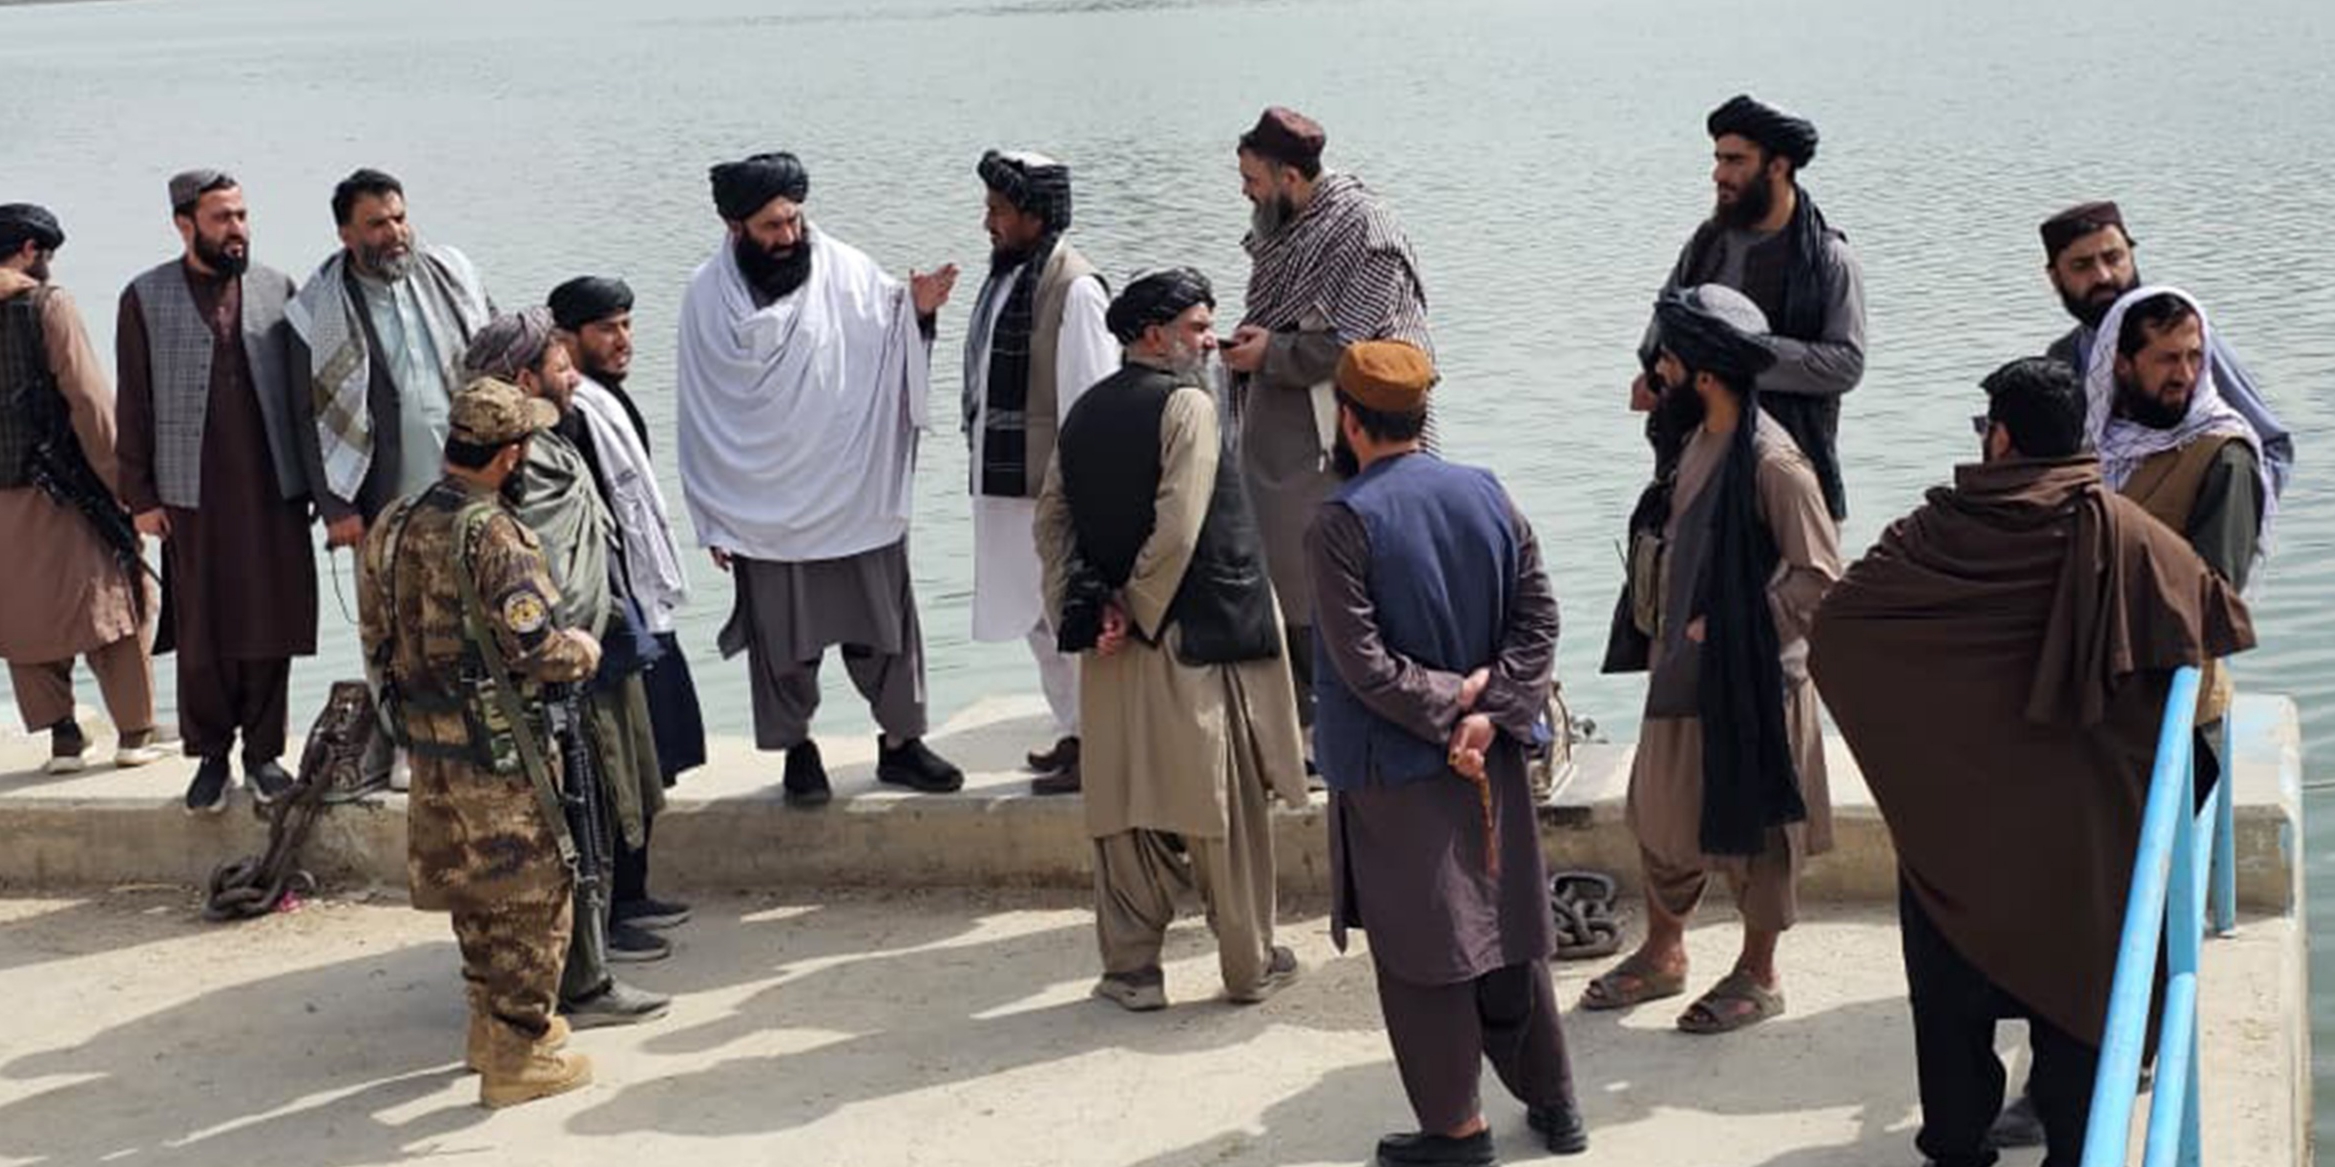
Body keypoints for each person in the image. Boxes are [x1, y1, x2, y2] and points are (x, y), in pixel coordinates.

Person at [1810, 356, 2255, 1167]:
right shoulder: (2123, 533)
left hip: (1957, 824)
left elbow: (1836, 636)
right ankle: (2078, 1146)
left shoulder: (1930, 534)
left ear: (2001, 439)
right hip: (2082, 826)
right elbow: (2210, 617)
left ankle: (1955, 1144)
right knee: (2083, 989)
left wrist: (1927, 750)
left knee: (1949, 1000)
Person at [1307, 340, 1585, 1166]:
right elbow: (1538, 618)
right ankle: (1555, 1102)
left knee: (1422, 950)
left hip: (1397, 770)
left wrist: (1449, 704)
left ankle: (1457, 1130)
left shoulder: (1339, 522)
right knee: (1509, 930)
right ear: (1421, 417)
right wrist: (1490, 712)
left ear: (1348, 420)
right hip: (1490, 756)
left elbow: (1362, 665)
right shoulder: (1485, 490)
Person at [1035, 267, 1308, 1011]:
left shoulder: (1085, 410)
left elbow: (1052, 519)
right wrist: (1137, 606)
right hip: (1191, 643)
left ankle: (1131, 971)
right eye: (1197, 327)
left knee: (1122, 810)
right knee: (1222, 808)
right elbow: (1180, 524)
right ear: (1154, 335)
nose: (1210, 340)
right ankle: (1249, 963)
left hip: (1112, 650)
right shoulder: (1188, 405)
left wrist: (1086, 609)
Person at [1582, 285, 1840, 1034]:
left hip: (1752, 684)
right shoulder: (1694, 439)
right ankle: (1664, 953)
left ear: (1702, 372)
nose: (1655, 370)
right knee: (1659, 817)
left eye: (1666, 359)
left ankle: (1759, 972)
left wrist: (1736, 623)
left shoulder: (1773, 463)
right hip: (1680, 674)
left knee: (1759, 837)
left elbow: (1820, 578)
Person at [676, 151, 964, 805]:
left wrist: (918, 312)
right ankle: (798, 752)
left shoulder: (850, 272)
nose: (788, 236)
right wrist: (714, 514)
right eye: (771, 226)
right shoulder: (706, 298)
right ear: (734, 227)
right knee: (782, 641)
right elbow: (701, 409)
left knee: (884, 627)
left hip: (854, 489)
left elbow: (894, 339)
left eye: (794, 220)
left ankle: (901, 744)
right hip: (763, 505)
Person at [358, 378, 600, 1109]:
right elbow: (535, 646)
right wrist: (582, 650)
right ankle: (519, 1053)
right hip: (501, 755)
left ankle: (487, 1028)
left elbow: (374, 634)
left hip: (430, 749)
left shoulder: (394, 522)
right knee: (533, 898)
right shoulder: (496, 535)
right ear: (510, 455)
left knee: (472, 892)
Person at [461, 311, 679, 1011]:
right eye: (561, 369)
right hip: (559, 668)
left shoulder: (546, 443)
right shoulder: (519, 460)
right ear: (525, 380)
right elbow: (544, 567)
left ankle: (597, 945)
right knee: (578, 820)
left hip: (587, 651)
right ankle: (583, 974)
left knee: (606, 801)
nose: (574, 378)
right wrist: (567, 647)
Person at [1222, 106, 1432, 739]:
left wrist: (1273, 353)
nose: (1245, 192)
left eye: (1253, 180)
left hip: (1340, 439)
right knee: (1284, 578)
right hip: (1280, 434)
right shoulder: (1294, 223)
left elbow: (1362, 350)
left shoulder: (1362, 230)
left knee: (1324, 583)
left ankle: (1336, 727)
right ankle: (1303, 726)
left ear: (1290, 177)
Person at [116, 169, 317, 814]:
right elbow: (133, 402)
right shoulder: (145, 296)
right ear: (185, 225)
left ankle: (264, 754)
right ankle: (210, 756)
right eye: (221, 218)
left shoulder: (278, 288)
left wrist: (320, 485)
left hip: (273, 490)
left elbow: (307, 396)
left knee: (271, 622)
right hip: (190, 494)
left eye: (241, 215)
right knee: (203, 631)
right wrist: (141, 495)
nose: (237, 230)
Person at [549, 275, 702, 938]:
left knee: (650, 753)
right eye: (606, 328)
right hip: (607, 606)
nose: (622, 340)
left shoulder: (604, 400)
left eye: (627, 325)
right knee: (614, 762)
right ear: (568, 338)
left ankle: (632, 894)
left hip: (640, 595)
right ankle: (609, 911)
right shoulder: (571, 414)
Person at [1631, 94, 1865, 523]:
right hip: (1692, 470)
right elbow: (1662, 327)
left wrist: (1738, 355)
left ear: (1778, 166)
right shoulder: (1706, 245)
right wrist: (1656, 372)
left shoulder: (1829, 260)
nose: (1719, 174)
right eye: (1718, 159)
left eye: (1736, 160)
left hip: (1788, 481)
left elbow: (1845, 364)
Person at [963, 149, 1116, 795]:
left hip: (1050, 491)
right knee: (1036, 619)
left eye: (998, 210)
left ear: (1035, 214)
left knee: (1067, 616)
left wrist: (1082, 500)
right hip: (1007, 485)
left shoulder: (1074, 288)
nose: (987, 222)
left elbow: (1090, 402)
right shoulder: (1009, 276)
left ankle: (1101, 745)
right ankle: (1075, 730)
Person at [0, 203, 165, 776]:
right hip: (66, 494)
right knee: (116, 601)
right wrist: (126, 485)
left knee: (21, 616)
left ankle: (64, 739)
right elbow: (91, 403)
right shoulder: (47, 305)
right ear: (29, 251)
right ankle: (135, 732)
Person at [289, 168, 493, 543]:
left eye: (399, 219)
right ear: (346, 235)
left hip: (475, 480)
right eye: (377, 224)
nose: (396, 233)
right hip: (386, 500)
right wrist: (338, 508)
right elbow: (309, 418)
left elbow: (497, 355)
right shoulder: (316, 311)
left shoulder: (453, 276)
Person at [2037, 201, 2291, 497]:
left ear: (2132, 256)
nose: (2103, 276)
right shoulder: (2065, 357)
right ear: (2055, 278)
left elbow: (2272, 446)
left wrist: (2230, 507)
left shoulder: (2183, 340)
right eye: (2082, 266)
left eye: (2113, 258)